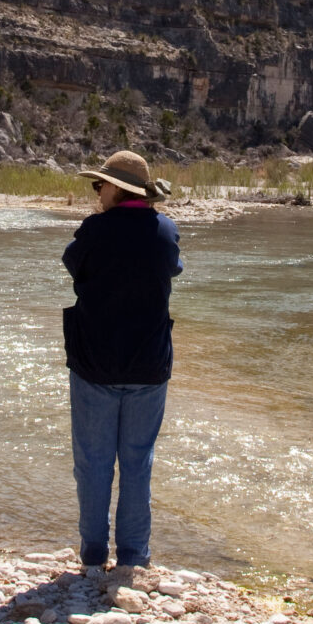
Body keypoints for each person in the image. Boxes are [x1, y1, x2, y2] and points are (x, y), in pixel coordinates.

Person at [61, 148, 182, 574]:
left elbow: (74, 267)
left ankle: (94, 555)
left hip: (95, 362)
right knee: (138, 461)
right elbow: (173, 269)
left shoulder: (95, 230)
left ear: (117, 188)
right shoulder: (165, 231)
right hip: (149, 364)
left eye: (100, 185)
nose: (97, 192)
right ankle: (133, 557)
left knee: (92, 461)